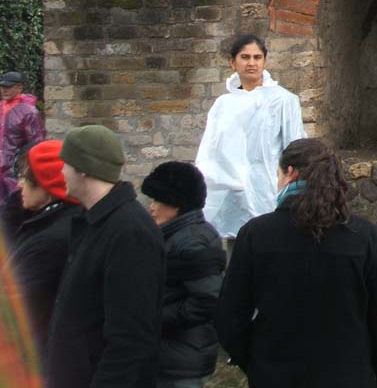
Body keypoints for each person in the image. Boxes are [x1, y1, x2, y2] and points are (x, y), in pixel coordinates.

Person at [216, 138, 377, 388]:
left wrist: (256, 362)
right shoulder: (364, 237)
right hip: (348, 376)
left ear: (290, 173)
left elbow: (229, 318)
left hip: (275, 375)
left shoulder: (256, 234)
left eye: (278, 175)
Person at [46, 124, 165, 388]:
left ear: (84, 169)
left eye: (66, 163)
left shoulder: (129, 232)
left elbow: (130, 338)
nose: (61, 171)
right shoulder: (92, 222)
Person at [195, 34, 306, 240]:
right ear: (233, 63)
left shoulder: (283, 100)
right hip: (230, 194)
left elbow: (295, 148)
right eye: (245, 57)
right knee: (235, 251)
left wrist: (291, 190)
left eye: (257, 57)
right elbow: (209, 151)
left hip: (267, 190)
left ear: (264, 61)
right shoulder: (223, 104)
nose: (251, 63)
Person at [141, 161, 226, 388]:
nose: (152, 207)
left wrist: (154, 319)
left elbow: (207, 299)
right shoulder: (179, 235)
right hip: (178, 353)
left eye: (158, 200)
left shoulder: (191, 241)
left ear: (176, 204)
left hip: (181, 359)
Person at [4, 140, 83, 360]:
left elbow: (13, 305)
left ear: (48, 185)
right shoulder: (38, 220)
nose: (19, 185)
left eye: (26, 179)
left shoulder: (51, 238)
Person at [1, 71, 46, 200]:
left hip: (15, 171)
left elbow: (36, 143)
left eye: (8, 87)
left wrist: (27, 170)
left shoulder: (28, 112)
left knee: (14, 206)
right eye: (2, 87)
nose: (4, 90)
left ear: (19, 88)